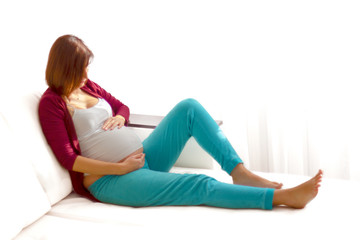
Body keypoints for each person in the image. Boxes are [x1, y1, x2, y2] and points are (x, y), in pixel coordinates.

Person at [39, 35, 322, 210]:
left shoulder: (88, 87)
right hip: (112, 179)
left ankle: (240, 172)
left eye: (88, 69)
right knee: (197, 184)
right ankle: (281, 199)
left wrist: (119, 116)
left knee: (189, 107)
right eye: (81, 70)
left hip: (142, 158)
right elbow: (69, 159)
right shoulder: (51, 104)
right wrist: (120, 167)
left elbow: (123, 106)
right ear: (64, 69)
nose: (87, 76)